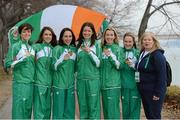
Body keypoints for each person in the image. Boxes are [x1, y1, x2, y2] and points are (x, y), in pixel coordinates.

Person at [4, 23, 35, 119]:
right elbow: (7, 63)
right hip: (20, 83)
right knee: (19, 111)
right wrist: (21, 59)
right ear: (20, 33)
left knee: (27, 111)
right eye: (24, 31)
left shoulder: (31, 48)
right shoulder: (15, 46)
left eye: (29, 31)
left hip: (31, 83)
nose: (27, 33)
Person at [136, 32, 167, 119]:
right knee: (149, 115)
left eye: (149, 40)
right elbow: (141, 68)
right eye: (145, 40)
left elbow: (162, 77)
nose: (147, 42)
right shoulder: (143, 53)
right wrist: (134, 65)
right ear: (142, 42)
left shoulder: (157, 55)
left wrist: (157, 93)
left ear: (154, 41)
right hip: (144, 90)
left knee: (154, 116)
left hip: (154, 92)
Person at [76, 22, 101, 119]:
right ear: (82, 32)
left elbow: (99, 63)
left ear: (92, 32)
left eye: (89, 31)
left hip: (93, 79)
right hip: (81, 80)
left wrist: (90, 52)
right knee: (83, 106)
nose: (86, 32)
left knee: (93, 107)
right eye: (85, 30)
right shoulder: (78, 45)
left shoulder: (96, 45)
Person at [33, 26, 57, 119]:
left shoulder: (54, 49)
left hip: (50, 84)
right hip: (39, 83)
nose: (48, 36)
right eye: (46, 34)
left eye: (50, 34)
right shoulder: (36, 47)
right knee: (39, 111)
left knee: (47, 110)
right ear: (42, 36)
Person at [52, 28, 76, 119]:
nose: (68, 38)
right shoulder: (57, 49)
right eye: (65, 36)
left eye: (70, 36)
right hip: (59, 85)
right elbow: (53, 67)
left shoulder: (74, 50)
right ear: (61, 37)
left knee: (69, 112)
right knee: (58, 112)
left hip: (70, 85)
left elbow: (76, 68)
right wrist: (62, 59)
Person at [100, 27, 121, 119]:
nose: (109, 37)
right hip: (103, 85)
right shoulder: (101, 48)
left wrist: (110, 56)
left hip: (113, 85)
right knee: (106, 111)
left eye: (111, 35)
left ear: (115, 36)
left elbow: (119, 66)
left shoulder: (118, 49)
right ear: (104, 36)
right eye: (107, 35)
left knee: (113, 111)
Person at [120, 32, 141, 119]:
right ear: (123, 42)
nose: (127, 43)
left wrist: (137, 83)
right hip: (123, 86)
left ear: (133, 42)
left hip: (134, 87)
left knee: (134, 110)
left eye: (130, 41)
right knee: (125, 110)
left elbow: (139, 70)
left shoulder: (137, 53)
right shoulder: (120, 52)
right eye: (126, 41)